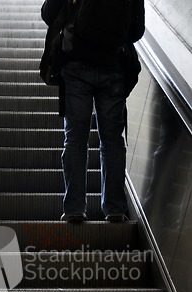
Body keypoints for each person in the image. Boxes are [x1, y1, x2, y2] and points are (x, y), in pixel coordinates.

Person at [41, 0, 145, 222]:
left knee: (75, 140)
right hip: (114, 66)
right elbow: (137, 31)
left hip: (77, 65)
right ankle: (115, 209)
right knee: (112, 141)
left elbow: (49, 14)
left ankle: (74, 209)